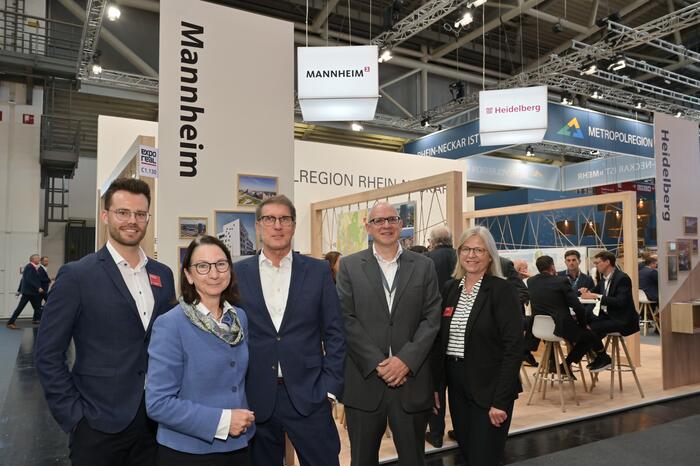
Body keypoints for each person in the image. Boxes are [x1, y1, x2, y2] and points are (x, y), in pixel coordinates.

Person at [35, 178, 176, 466]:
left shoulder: (163, 275)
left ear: (148, 218)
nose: (132, 221)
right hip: (97, 424)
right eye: (123, 212)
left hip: (155, 422)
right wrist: (74, 417)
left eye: (140, 214)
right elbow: (48, 353)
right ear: (105, 216)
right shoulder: (77, 276)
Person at [233, 195, 346, 466]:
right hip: (256, 397)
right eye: (269, 219)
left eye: (284, 219)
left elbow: (335, 332)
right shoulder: (238, 273)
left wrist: (329, 389)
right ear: (258, 226)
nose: (277, 225)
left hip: (310, 394)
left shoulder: (318, 271)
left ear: (293, 226)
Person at [337, 202, 441, 466]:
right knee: (362, 460)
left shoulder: (424, 265)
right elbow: (346, 318)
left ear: (401, 224)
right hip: (366, 382)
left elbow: (431, 319)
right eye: (378, 221)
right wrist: (378, 363)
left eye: (392, 219)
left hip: (411, 381)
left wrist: (405, 360)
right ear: (368, 227)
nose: (386, 225)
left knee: (413, 459)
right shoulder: (349, 266)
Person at [146, 235, 255, 465]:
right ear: (188, 275)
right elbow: (158, 403)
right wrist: (223, 421)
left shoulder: (239, 318)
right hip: (188, 452)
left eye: (221, 264)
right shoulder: (171, 324)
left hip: (239, 445)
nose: (214, 274)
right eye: (203, 266)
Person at [433, 226, 523, 466]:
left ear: (490, 255)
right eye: (466, 249)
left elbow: (514, 348)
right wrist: (436, 386)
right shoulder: (450, 288)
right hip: (457, 385)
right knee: (468, 451)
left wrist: (501, 401)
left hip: (491, 388)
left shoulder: (502, 290)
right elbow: (440, 342)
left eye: (479, 250)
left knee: (485, 457)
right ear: (459, 253)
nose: (471, 255)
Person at [527, 256, 611, 375]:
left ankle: (562, 366)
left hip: (541, 329)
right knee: (590, 334)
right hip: (561, 328)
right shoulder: (560, 281)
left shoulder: (531, 282)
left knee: (585, 334)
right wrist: (583, 325)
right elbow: (578, 307)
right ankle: (572, 363)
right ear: (552, 266)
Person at [424, 226, 456, 448]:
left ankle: (436, 433)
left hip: (434, 329)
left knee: (436, 384)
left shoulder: (426, 261)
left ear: (432, 241)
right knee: (459, 383)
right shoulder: (462, 258)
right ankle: (462, 428)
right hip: (460, 327)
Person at [580, 251, 640, 339]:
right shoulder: (604, 279)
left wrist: (596, 296)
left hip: (621, 319)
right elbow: (593, 292)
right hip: (607, 315)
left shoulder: (622, 278)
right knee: (582, 323)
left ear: (607, 262)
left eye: (597, 263)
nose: (595, 266)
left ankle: (596, 348)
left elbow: (620, 302)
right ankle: (598, 348)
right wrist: (586, 292)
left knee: (589, 329)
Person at [6, 254, 43, 328]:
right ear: (33, 259)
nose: (39, 259)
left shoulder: (31, 267)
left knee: (37, 307)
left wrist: (19, 290)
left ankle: (40, 320)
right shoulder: (30, 267)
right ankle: (10, 322)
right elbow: (29, 279)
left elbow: (23, 279)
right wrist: (38, 287)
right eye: (38, 258)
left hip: (31, 292)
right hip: (29, 292)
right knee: (21, 307)